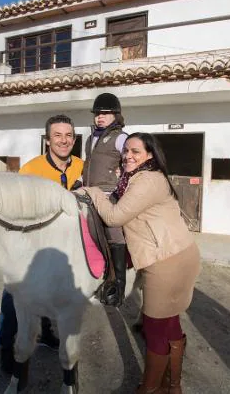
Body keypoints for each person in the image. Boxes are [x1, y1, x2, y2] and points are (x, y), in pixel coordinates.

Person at [80, 133, 201, 394]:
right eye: (125, 151)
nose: (128, 156)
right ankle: (172, 386)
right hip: (178, 254)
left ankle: (148, 389)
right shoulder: (141, 179)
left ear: (150, 154)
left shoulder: (147, 180)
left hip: (166, 262)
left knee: (155, 326)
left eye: (135, 151)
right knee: (170, 324)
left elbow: (114, 216)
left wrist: (91, 191)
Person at [0, 114, 84, 374]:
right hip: (31, 250)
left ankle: (46, 334)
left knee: (57, 298)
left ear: (74, 139)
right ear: (47, 140)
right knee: (13, 302)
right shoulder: (30, 170)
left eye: (68, 135)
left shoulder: (82, 166)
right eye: (57, 135)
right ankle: (5, 347)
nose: (63, 140)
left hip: (64, 249)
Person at [82, 92, 129, 307]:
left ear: (115, 116)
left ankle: (118, 285)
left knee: (113, 230)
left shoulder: (121, 137)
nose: (100, 117)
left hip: (109, 194)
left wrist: (123, 175)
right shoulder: (90, 138)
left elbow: (132, 161)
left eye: (106, 113)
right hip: (88, 193)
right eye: (97, 113)